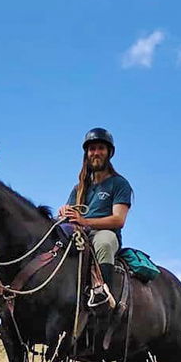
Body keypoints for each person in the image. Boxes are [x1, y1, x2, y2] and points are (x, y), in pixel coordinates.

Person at [56, 127, 132, 309]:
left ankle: (103, 296)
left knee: (104, 243)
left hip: (104, 233)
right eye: (92, 149)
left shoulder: (119, 183)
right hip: (78, 232)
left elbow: (118, 219)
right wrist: (64, 212)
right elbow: (70, 217)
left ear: (109, 153)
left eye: (100, 148)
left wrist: (85, 221)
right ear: (87, 153)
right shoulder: (79, 188)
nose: (96, 153)